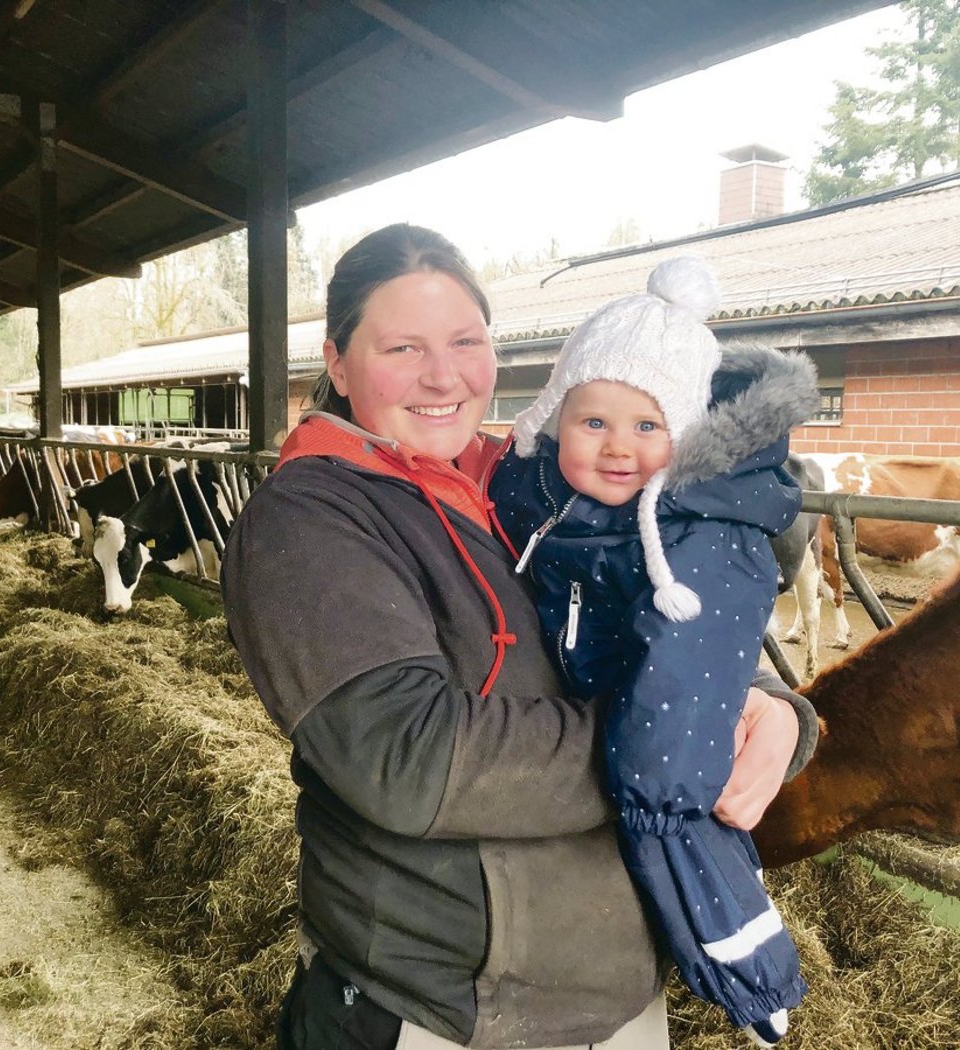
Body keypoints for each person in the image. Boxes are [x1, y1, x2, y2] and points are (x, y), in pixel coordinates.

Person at [221, 224, 818, 1050]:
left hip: (617, 989)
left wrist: (768, 709)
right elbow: (408, 758)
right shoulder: (313, 517)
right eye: (402, 346)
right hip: (443, 1008)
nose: (442, 375)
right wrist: (679, 737)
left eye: (466, 340)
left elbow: (654, 630)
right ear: (337, 362)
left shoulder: (538, 483)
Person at [488, 256, 819, 1046]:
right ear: (551, 418)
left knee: (692, 850)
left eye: (647, 426)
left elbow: (688, 669)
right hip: (593, 754)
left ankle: (757, 984)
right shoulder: (538, 494)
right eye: (592, 422)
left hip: (659, 757)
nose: (616, 448)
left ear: (685, 437)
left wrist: (659, 788)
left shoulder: (697, 535)